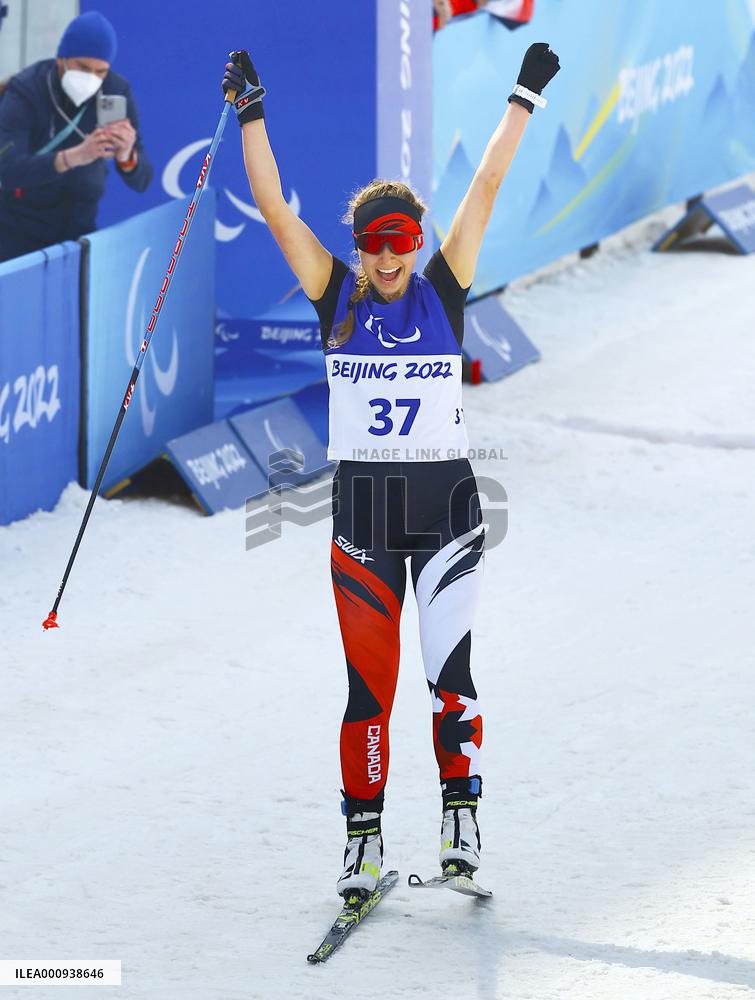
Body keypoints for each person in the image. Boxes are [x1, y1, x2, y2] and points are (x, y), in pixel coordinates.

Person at [222, 42, 559, 901]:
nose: (385, 262)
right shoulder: (333, 295)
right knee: (366, 694)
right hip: (362, 520)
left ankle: (460, 822)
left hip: (446, 511)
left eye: (399, 245)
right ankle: (363, 845)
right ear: (357, 249)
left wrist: (521, 97)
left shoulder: (442, 289)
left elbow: (481, 189)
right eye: (372, 247)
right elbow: (271, 206)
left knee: (451, 676)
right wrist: (250, 112)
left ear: (415, 244)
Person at [0, 11, 152, 263]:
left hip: (78, 229)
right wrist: (73, 157)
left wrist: (127, 156)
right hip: (18, 233)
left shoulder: (115, 90)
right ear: (62, 59)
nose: (91, 78)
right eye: (83, 67)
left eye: (100, 71)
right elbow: (6, 170)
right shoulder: (26, 90)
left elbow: (143, 180)